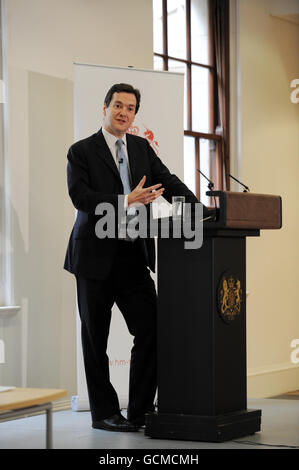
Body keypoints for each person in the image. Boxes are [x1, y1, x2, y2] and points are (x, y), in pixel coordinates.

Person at [64, 83, 209, 432]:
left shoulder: (142, 147)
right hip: (94, 257)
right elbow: (80, 197)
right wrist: (126, 200)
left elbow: (168, 181)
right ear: (104, 107)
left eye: (130, 108)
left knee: (153, 328)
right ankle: (104, 412)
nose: (123, 112)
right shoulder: (81, 151)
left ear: (134, 115)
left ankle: (141, 411)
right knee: (94, 338)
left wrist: (203, 209)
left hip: (132, 255)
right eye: (117, 105)